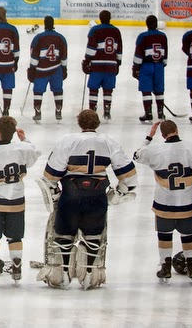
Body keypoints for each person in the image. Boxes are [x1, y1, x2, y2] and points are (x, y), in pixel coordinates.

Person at [38, 109, 136, 290]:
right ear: (97, 123)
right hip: (97, 195)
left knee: (64, 234)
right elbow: (129, 175)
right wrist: (120, 192)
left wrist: (55, 192)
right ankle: (90, 274)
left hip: (71, 194)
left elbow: (50, 175)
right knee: (94, 235)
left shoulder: (68, 140)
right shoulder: (108, 141)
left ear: (80, 123)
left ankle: (65, 273)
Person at [134, 120, 192, 281]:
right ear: (177, 130)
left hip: (164, 202)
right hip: (188, 201)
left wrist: (149, 137)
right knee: (189, 235)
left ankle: (165, 266)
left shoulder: (155, 150)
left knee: (164, 234)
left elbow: (137, 155)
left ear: (162, 134)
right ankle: (191, 266)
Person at [0, 116, 40, 285]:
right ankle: (17, 268)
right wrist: (24, 138)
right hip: (17, 200)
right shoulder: (23, 148)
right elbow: (33, 152)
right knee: (15, 237)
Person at [82, 9, 122, 121]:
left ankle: (92, 111)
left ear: (100, 18)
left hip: (97, 65)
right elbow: (119, 49)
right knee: (108, 89)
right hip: (111, 65)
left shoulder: (95, 30)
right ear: (110, 18)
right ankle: (107, 109)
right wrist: (118, 63)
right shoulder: (116, 31)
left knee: (93, 88)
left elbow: (91, 48)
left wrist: (86, 61)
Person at [27, 15, 68, 122]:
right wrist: (64, 68)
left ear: (44, 24)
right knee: (58, 89)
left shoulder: (38, 38)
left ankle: (37, 112)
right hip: (56, 69)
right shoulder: (60, 37)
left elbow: (34, 56)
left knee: (38, 91)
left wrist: (32, 69)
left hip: (41, 70)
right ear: (53, 24)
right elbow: (64, 56)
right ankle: (58, 111)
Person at [132, 15, 168, 123]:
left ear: (146, 24)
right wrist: (163, 64)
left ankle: (148, 113)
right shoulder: (163, 36)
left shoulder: (142, 36)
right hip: (159, 66)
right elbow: (165, 52)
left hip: (146, 66)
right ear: (156, 24)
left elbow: (138, 53)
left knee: (146, 90)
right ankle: (160, 113)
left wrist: (136, 67)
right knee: (159, 90)